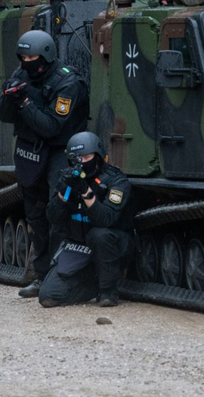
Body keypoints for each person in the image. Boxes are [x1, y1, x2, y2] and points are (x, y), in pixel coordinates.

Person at [0, 30, 89, 298]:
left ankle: (59, 276)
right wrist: (7, 96)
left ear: (46, 55)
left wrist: (24, 102)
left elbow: (50, 127)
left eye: (31, 57)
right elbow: (3, 116)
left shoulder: (67, 83)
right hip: (28, 151)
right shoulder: (22, 73)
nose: (26, 62)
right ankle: (40, 274)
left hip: (59, 152)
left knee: (57, 212)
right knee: (35, 214)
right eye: (22, 57)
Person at [39, 132, 134, 308]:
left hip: (112, 247)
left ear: (97, 156)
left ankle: (108, 291)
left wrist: (85, 192)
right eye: (77, 158)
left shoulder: (115, 180)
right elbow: (53, 218)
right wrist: (63, 192)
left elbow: (105, 219)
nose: (82, 163)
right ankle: (94, 286)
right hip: (79, 247)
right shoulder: (69, 180)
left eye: (87, 157)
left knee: (100, 235)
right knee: (48, 295)